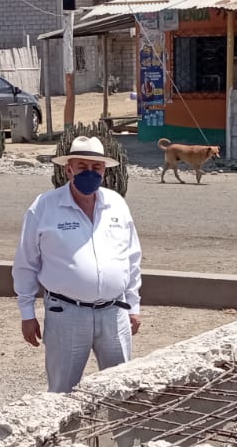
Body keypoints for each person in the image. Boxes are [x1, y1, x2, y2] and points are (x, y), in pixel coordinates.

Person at [12, 136, 143, 393]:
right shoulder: (45, 207)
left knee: (120, 391)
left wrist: (134, 305)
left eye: (97, 167)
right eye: (82, 167)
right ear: (68, 169)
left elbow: (131, 257)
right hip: (66, 314)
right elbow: (26, 263)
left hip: (115, 313)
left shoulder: (116, 204)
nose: (90, 173)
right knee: (62, 393)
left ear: (104, 170)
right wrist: (27, 313)